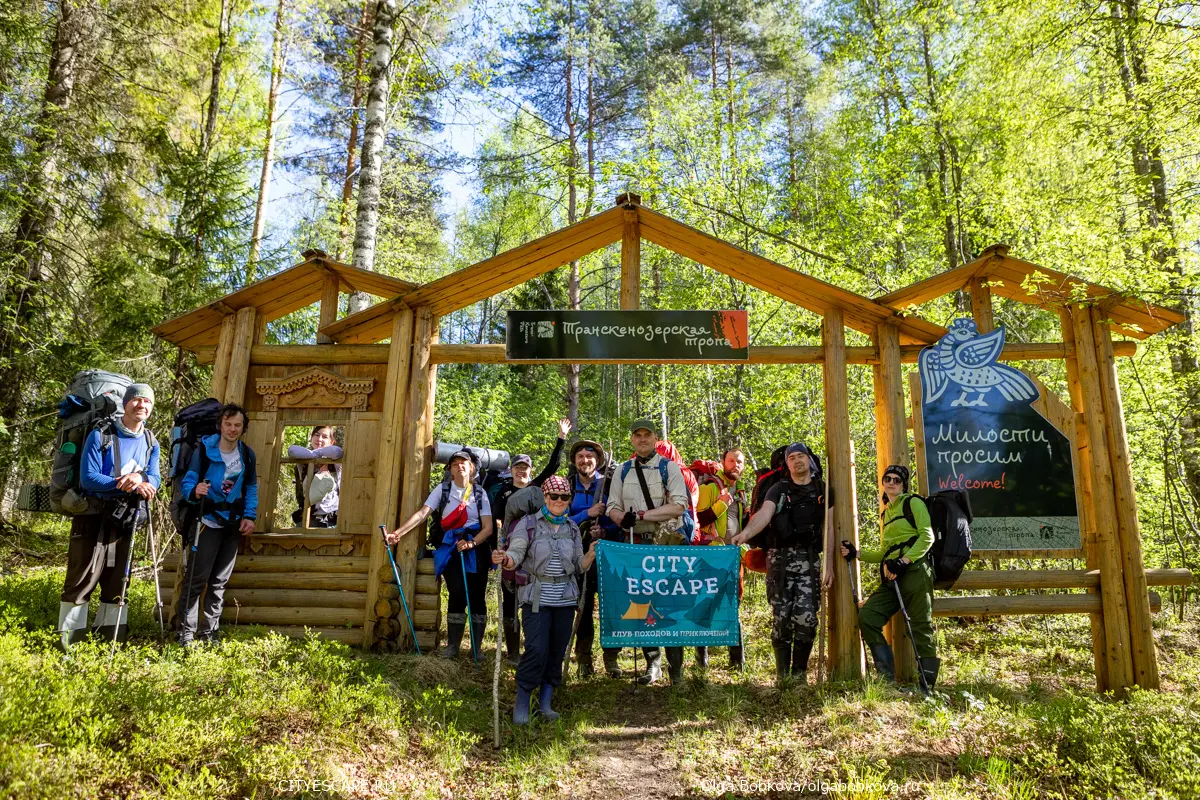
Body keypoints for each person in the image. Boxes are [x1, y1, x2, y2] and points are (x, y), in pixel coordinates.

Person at [57, 383, 161, 649]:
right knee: (82, 579)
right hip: (93, 514)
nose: (142, 406)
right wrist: (124, 483)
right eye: (136, 400)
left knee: (118, 582)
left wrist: (141, 478)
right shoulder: (100, 434)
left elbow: (156, 477)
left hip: (125, 518)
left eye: (147, 402)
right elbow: (88, 478)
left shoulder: (151, 441)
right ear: (125, 403)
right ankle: (69, 645)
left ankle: (109, 641)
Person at [492, 476, 596, 724]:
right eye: (554, 496)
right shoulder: (528, 524)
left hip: (565, 600)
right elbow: (516, 551)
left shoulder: (572, 528)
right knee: (536, 650)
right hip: (535, 598)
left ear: (569, 500)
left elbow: (577, 566)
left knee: (556, 651)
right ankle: (522, 702)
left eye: (564, 497)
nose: (559, 501)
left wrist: (590, 556)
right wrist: (506, 558)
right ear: (545, 498)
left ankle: (546, 703)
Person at [731, 443, 829, 684]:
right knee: (781, 618)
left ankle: (799, 676)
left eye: (801, 457)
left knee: (807, 618)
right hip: (780, 561)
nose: (797, 461)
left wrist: (830, 565)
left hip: (809, 560)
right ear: (786, 464)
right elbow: (764, 514)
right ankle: (782, 676)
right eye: (792, 458)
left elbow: (830, 527)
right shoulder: (778, 489)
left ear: (810, 460)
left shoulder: (822, 490)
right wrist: (744, 535)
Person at [606, 418, 689, 685]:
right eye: (637, 435)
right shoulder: (621, 470)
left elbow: (679, 506)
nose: (642, 439)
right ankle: (653, 664)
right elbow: (611, 506)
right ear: (631, 439)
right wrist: (621, 519)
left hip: (667, 545)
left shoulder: (670, 468)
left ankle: (676, 670)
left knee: (671, 604)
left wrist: (643, 514)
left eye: (647, 435)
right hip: (635, 544)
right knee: (643, 606)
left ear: (655, 438)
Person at [388, 449, 494, 659]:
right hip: (451, 546)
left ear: (472, 468)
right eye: (455, 464)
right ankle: (453, 647)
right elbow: (422, 514)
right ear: (450, 470)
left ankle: (476, 648)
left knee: (477, 596)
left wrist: (472, 543)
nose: (459, 466)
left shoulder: (480, 493)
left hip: (476, 548)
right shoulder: (443, 489)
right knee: (456, 592)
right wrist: (398, 533)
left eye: (464, 463)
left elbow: (488, 527)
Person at [840, 464, 939, 688]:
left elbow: (927, 537)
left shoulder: (913, 503)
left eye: (897, 479)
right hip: (893, 576)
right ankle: (887, 679)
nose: (891, 482)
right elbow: (885, 552)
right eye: (888, 479)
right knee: (868, 617)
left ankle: (927, 686)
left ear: (903, 484)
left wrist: (905, 561)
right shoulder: (886, 513)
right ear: (883, 483)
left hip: (915, 571)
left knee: (920, 625)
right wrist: (856, 554)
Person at [490, 418, 571, 665]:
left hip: (536, 551)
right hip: (509, 549)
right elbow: (495, 522)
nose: (521, 470)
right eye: (517, 467)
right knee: (509, 598)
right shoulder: (502, 491)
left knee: (529, 597)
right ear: (512, 469)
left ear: (530, 471)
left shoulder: (538, 489)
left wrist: (561, 438)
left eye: (525, 467)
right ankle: (512, 651)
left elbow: (553, 465)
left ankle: (532, 646)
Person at [177, 403, 258, 647]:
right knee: (196, 579)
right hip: (206, 521)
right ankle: (186, 633)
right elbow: (189, 480)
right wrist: (195, 490)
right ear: (220, 425)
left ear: (243, 429)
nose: (232, 429)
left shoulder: (246, 454)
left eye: (237, 425)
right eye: (228, 424)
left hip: (232, 523)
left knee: (219, 582)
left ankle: (208, 633)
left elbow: (251, 488)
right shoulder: (204, 449)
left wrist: (249, 516)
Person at [691, 446, 751, 670]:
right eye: (732, 460)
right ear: (723, 462)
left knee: (732, 605)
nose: (736, 465)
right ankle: (701, 662)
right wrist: (722, 503)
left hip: (733, 555)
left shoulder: (741, 491)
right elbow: (699, 519)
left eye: (740, 462)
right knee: (705, 605)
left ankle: (737, 662)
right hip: (710, 555)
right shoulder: (709, 486)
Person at [565, 438, 618, 677]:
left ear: (598, 461)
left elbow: (620, 519)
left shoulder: (610, 484)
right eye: (580, 457)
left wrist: (604, 529)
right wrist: (587, 514)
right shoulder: (566, 485)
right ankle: (584, 660)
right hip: (576, 555)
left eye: (590, 457)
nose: (585, 461)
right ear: (575, 460)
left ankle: (612, 658)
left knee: (611, 607)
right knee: (583, 607)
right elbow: (559, 520)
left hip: (606, 553)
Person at [288, 425, 342, 528]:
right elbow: (292, 450)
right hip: (307, 517)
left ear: (331, 442)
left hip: (330, 520)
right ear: (311, 438)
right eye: (316, 435)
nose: (319, 439)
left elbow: (337, 452)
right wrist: (314, 456)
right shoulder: (303, 461)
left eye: (325, 436)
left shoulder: (336, 463)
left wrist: (318, 454)